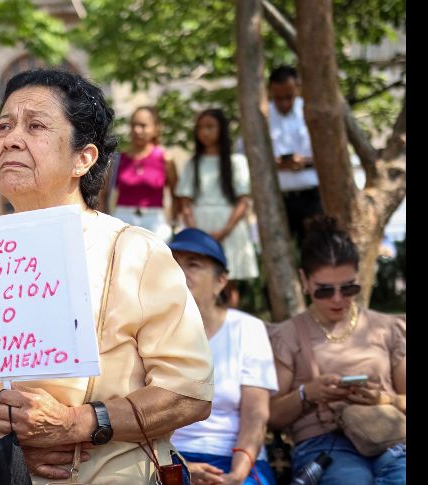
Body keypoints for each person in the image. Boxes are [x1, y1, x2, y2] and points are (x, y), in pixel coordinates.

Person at [0, 69, 215, 484]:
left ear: (83, 158)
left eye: (35, 125)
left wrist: (77, 423)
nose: (11, 139)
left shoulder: (135, 252)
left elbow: (188, 395)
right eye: (4, 126)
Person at [268, 216, 406, 484]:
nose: (338, 299)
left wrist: (384, 400)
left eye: (349, 288)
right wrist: (307, 393)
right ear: (304, 281)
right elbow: (270, 416)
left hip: (387, 436)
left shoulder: (386, 328)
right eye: (324, 291)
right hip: (324, 445)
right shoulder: (288, 335)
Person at [169, 228, 277, 485]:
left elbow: (256, 415)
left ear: (221, 281)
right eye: (173, 263)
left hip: (235, 459)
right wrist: (182, 468)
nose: (180, 272)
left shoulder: (246, 329)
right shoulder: (146, 329)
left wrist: (235, 476)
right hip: (167, 459)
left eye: (193, 265)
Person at [177, 108, 259, 307]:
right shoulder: (192, 163)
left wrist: (225, 230)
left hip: (229, 227)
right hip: (200, 225)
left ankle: (230, 321)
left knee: (228, 282)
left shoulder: (236, 162)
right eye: (201, 128)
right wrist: (196, 233)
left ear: (221, 130)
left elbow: (243, 200)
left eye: (210, 127)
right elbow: (185, 202)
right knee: (198, 280)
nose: (205, 132)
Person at [100, 106, 178, 242]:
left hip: (155, 221)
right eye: (134, 125)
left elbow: (176, 194)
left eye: (143, 126)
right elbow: (103, 194)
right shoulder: (117, 159)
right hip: (123, 219)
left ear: (155, 128)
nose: (137, 130)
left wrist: (173, 222)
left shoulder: (165, 159)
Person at [267, 65, 322, 245]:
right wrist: (275, 164)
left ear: (297, 88)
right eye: (278, 98)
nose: (284, 103)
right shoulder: (262, 116)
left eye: (288, 97)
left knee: (314, 247)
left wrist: (303, 162)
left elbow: (327, 155)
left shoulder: (311, 111)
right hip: (278, 198)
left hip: (311, 196)